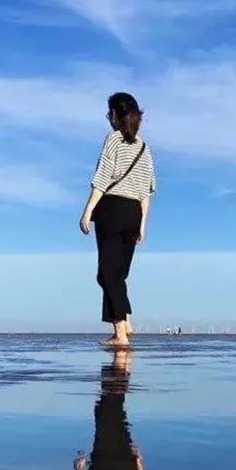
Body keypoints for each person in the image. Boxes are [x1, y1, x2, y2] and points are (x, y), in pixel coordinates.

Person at [79, 93, 157, 348]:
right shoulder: (145, 148)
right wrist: (143, 223)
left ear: (115, 115)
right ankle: (126, 322)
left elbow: (103, 176)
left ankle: (120, 333)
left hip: (112, 208)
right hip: (134, 212)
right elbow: (148, 189)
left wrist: (88, 210)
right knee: (117, 273)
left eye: (108, 113)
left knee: (109, 274)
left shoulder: (114, 139)